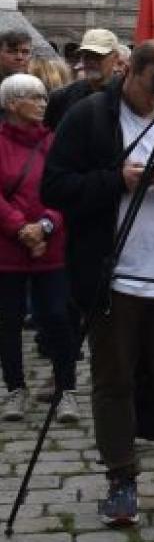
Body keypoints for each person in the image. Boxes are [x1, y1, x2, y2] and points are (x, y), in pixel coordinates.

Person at [41, 40, 154, 528]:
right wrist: (118, 180)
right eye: (153, 85)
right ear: (130, 72)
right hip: (112, 274)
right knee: (114, 380)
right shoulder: (89, 116)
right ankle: (121, 480)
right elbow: (54, 186)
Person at [0, 74, 78, 424]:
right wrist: (20, 229)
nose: (44, 103)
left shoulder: (55, 142)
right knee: (8, 321)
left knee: (59, 318)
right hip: (8, 247)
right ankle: (15, 388)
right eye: (35, 97)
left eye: (45, 97)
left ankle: (66, 389)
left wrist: (45, 225)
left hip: (51, 245)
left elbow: (65, 189)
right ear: (12, 104)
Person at [45, 29, 121, 131]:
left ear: (115, 58)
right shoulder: (61, 98)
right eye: (86, 55)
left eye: (98, 56)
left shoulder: (129, 98)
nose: (91, 61)